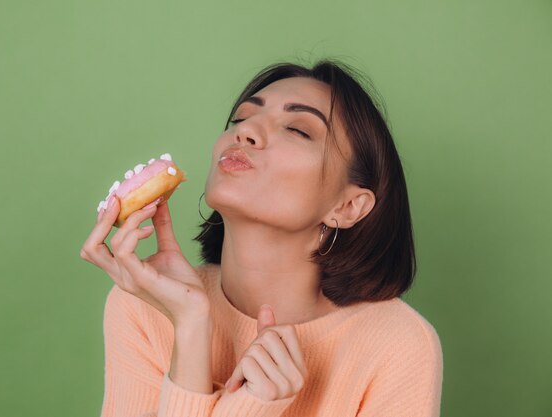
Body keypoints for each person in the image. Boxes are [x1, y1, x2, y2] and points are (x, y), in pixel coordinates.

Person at [80, 58, 444, 417]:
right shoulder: (147, 305)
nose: (244, 131)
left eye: (298, 129)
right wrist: (190, 327)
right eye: (241, 118)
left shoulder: (397, 345)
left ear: (348, 207)